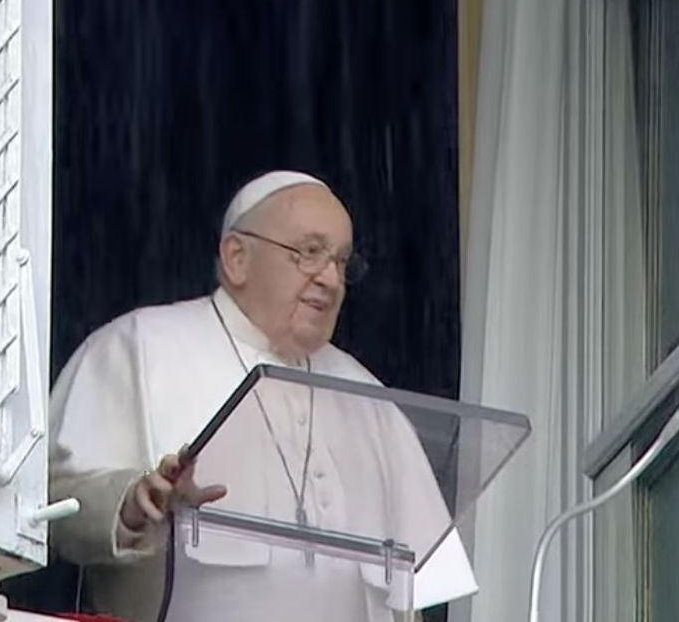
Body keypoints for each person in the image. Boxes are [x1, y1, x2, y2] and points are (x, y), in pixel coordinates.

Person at [47, 171, 476, 622]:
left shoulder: (368, 397)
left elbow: (415, 589)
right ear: (237, 257)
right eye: (309, 253)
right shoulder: (137, 347)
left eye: (342, 262)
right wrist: (133, 503)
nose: (330, 279)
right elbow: (52, 509)